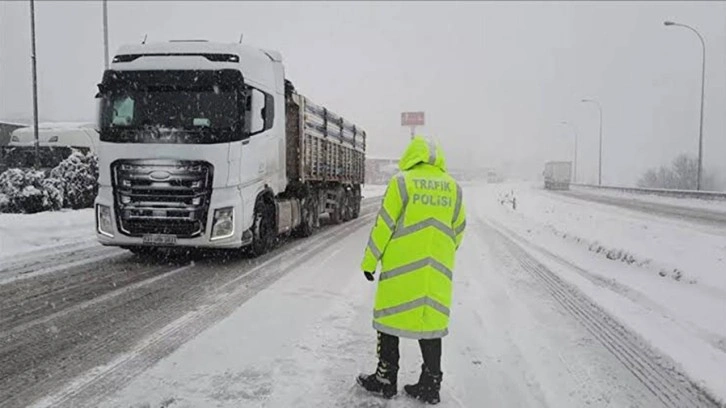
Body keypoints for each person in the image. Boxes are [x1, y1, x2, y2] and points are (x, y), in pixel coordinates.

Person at [357, 136, 466, 404]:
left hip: (400, 270)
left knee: (389, 319)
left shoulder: (402, 182)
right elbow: (459, 229)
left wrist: (370, 261)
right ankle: (431, 383)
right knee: (430, 326)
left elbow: (384, 225)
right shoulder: (453, 187)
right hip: (435, 274)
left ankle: (385, 378)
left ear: (411, 156)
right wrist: (441, 254)